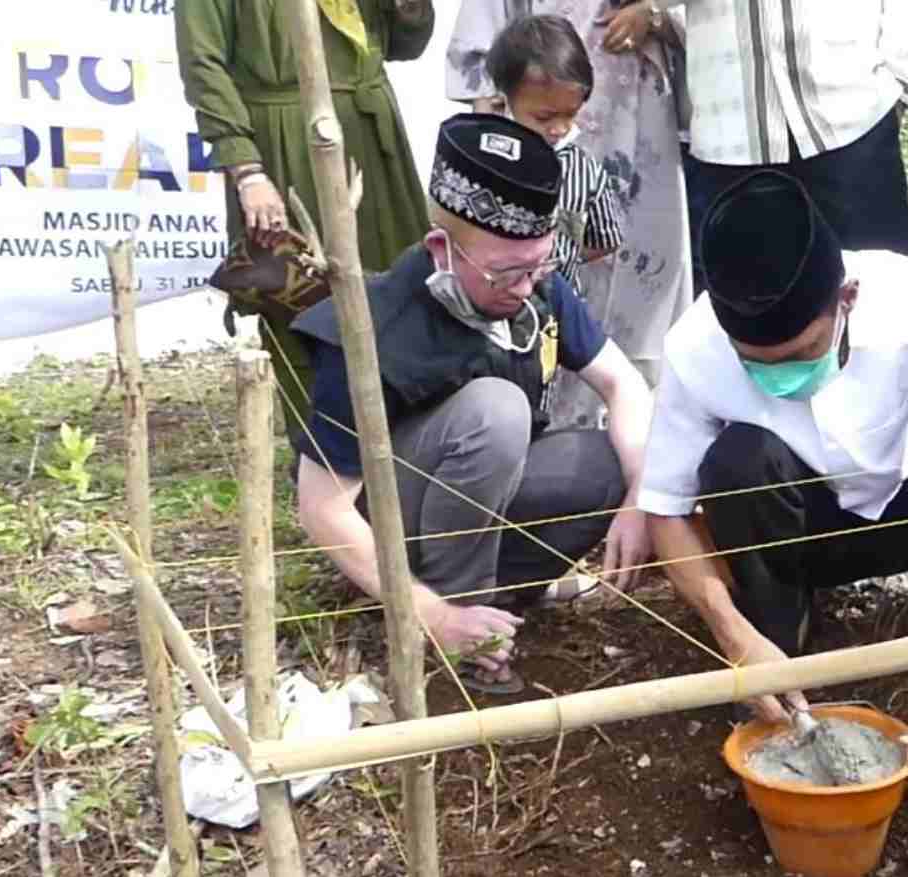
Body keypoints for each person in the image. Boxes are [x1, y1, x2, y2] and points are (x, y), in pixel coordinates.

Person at [638, 170, 908, 773]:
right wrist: (733, 636)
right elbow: (665, 510)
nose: (783, 378)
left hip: (907, 512)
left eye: (802, 354)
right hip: (800, 532)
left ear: (846, 297)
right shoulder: (694, 346)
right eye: (757, 366)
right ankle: (780, 635)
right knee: (736, 460)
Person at [291, 114, 655, 693]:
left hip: (480, 500)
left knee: (606, 460)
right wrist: (434, 616)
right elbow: (322, 509)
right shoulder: (373, 331)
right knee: (496, 411)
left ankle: (501, 599)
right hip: (390, 523)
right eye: (507, 273)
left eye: (540, 265)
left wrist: (639, 498)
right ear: (442, 250)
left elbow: (624, 384)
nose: (526, 286)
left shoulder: (537, 289)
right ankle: (454, 615)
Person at [176, 0, 437, 441]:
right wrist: (247, 171)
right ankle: (325, 457)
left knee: (403, 292)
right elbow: (203, 65)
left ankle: (411, 447)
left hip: (371, 137)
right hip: (284, 138)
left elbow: (405, 46)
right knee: (299, 301)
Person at [447, 0, 693, 429]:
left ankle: (639, 424)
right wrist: (492, 129)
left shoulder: (583, 168)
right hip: (535, 86)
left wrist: (655, 12)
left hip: (637, 101)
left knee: (643, 282)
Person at [634, 0, 908, 291]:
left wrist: (900, 78)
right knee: (750, 306)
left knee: (878, 296)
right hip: (731, 134)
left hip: (851, 116)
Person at [483, 14, 628, 426]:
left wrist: (563, 260)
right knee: (497, 393)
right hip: (490, 312)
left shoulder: (584, 170)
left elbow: (605, 238)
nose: (559, 129)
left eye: (570, 115)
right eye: (544, 118)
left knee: (545, 393)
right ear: (506, 99)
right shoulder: (486, 161)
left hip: (553, 313)